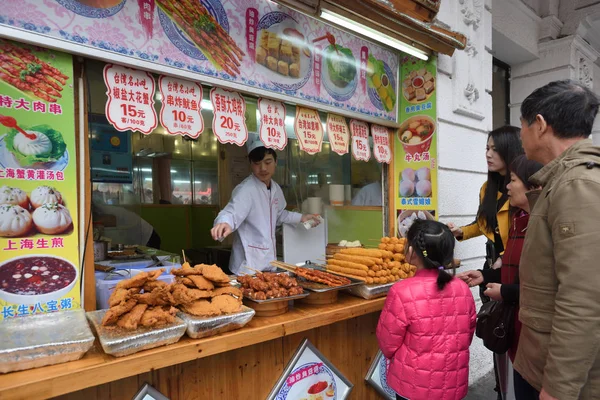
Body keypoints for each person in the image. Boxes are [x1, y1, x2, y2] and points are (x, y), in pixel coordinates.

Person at [514, 80, 600, 400]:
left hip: (560, 381)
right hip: (541, 363)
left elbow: (584, 299)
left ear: (540, 125)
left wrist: (557, 390)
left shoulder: (579, 183)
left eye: (522, 126)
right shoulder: (563, 180)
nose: (520, 135)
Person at [376, 220, 476, 400]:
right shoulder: (462, 288)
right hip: (453, 384)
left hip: (412, 386)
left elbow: (387, 343)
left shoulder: (401, 292)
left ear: (413, 252)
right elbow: (466, 337)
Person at [457, 155, 542, 365]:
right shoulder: (519, 221)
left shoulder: (545, 227)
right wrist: (484, 275)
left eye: (513, 181)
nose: (508, 188)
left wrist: (504, 291)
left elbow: (546, 290)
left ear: (533, 185)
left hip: (536, 331)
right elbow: (514, 271)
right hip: (515, 324)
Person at [210, 137, 320, 275]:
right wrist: (224, 222)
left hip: (268, 262)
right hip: (247, 265)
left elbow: (279, 214)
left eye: (268, 162)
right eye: (257, 163)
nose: (263, 168)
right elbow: (232, 212)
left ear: (275, 162)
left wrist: (302, 217)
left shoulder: (275, 188)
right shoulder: (246, 189)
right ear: (250, 164)